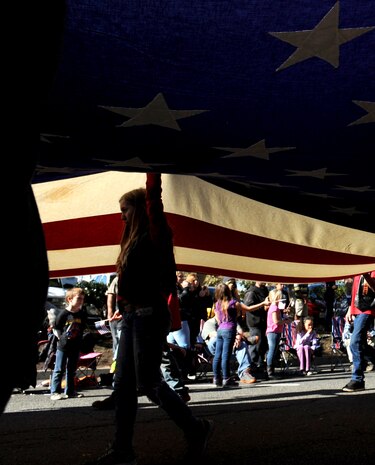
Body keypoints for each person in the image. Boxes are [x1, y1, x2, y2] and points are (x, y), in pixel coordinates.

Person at [84, 173, 213, 465]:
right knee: (125, 385)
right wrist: (122, 304)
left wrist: (151, 171)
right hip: (132, 317)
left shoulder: (155, 234)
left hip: (149, 316)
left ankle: (196, 428)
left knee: (148, 381)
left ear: (140, 209)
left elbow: (154, 201)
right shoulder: (131, 242)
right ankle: (122, 449)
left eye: (124, 211)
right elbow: (126, 281)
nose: (121, 218)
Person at [212, 283, 269, 388]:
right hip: (229, 330)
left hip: (220, 330)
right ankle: (226, 378)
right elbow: (249, 308)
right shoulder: (233, 303)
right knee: (226, 355)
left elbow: (218, 319)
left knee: (217, 355)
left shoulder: (217, 304)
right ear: (227, 291)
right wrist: (263, 303)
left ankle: (216, 378)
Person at [50, 287, 86, 400]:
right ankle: (55, 392)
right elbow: (56, 328)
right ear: (69, 299)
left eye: (83, 299)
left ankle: (70, 391)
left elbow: (83, 327)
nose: (81, 301)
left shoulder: (82, 314)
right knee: (59, 368)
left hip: (76, 345)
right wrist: (61, 338)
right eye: (79, 298)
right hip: (64, 346)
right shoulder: (63, 314)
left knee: (71, 369)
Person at [342, 271, 375, 392]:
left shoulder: (370, 267)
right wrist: (350, 309)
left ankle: (357, 379)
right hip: (357, 309)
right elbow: (355, 289)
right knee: (361, 344)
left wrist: (366, 275)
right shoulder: (358, 267)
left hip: (368, 309)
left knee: (355, 342)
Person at [243, 281, 270, 378]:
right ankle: (251, 369)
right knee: (255, 347)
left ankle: (260, 368)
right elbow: (248, 308)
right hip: (254, 323)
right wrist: (263, 305)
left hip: (263, 322)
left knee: (262, 346)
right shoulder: (251, 292)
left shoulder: (265, 290)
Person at [265, 289, 291, 379]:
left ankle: (270, 370)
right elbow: (276, 321)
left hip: (276, 331)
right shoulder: (274, 308)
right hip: (273, 331)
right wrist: (285, 321)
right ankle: (270, 372)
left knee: (274, 350)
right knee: (272, 350)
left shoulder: (275, 308)